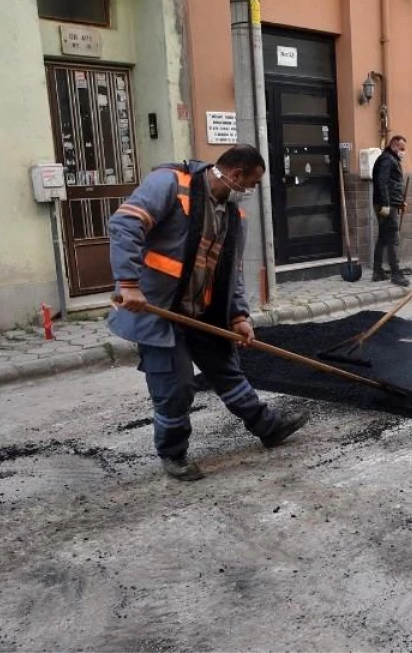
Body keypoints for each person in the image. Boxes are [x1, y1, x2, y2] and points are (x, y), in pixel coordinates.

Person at [109, 144, 307, 481]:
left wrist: (239, 317)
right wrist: (128, 283)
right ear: (236, 175)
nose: (250, 192)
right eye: (251, 184)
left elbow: (233, 274)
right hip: (158, 311)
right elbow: (125, 224)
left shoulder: (234, 216)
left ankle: (267, 427)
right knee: (176, 385)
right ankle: (173, 454)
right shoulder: (169, 183)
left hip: (202, 312)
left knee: (226, 370)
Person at [371, 135, 410, 286]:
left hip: (388, 204)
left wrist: (400, 202)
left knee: (382, 237)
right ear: (394, 146)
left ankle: (378, 271)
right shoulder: (388, 160)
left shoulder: (389, 159)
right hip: (386, 206)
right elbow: (382, 182)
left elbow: (392, 184)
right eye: (401, 149)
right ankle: (396, 274)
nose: (403, 152)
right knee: (393, 237)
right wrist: (387, 204)